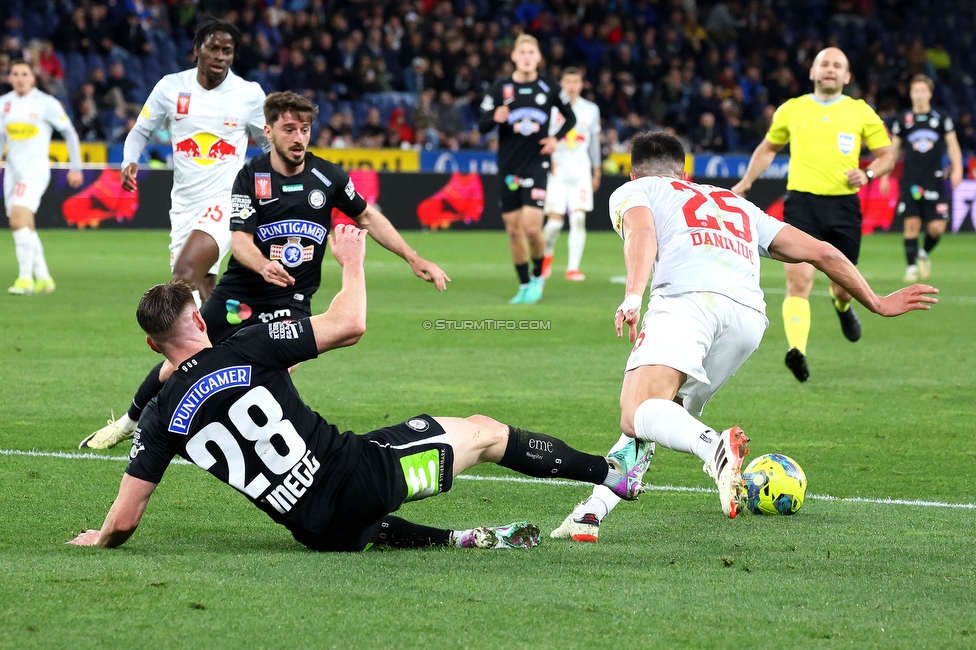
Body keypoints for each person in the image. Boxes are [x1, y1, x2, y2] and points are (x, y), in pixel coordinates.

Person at [67, 232, 654, 552]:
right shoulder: (245, 346)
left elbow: (124, 520)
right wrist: (352, 262)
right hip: (359, 478)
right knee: (482, 431)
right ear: (200, 319)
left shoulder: (159, 417)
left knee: (357, 510)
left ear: (153, 347)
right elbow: (349, 325)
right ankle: (611, 475)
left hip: (312, 531)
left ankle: (459, 540)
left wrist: (100, 539)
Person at [551, 132, 937, 542]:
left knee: (637, 411)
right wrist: (876, 301)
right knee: (661, 417)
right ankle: (590, 514)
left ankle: (714, 448)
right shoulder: (734, 203)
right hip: (748, 320)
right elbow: (821, 252)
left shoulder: (635, 191)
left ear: (633, 173)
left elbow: (642, 233)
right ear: (686, 171)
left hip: (689, 302)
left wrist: (632, 296)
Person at [80, 92, 449, 450]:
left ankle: (272, 444)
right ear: (268, 132)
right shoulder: (251, 177)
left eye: (304, 128)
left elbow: (366, 215)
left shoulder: (328, 177)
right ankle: (127, 424)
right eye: (289, 128)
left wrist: (413, 257)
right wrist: (263, 265)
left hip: (292, 299)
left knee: (280, 370)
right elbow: (239, 239)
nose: (299, 137)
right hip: (239, 294)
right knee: (176, 363)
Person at [730, 47, 895, 383]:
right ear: (813, 72)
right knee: (798, 281)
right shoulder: (792, 109)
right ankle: (797, 351)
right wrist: (746, 181)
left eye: (837, 65)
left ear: (847, 76)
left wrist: (869, 174)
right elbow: (768, 147)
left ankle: (843, 308)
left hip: (844, 206)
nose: (830, 69)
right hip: (801, 204)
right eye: (824, 64)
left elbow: (886, 154)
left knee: (841, 287)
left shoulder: (861, 112)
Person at [119, 19, 267, 308]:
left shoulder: (248, 94)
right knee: (200, 284)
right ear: (197, 49)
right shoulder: (171, 87)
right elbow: (141, 131)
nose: (220, 56)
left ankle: (178, 349)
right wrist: (129, 160)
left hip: (226, 202)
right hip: (184, 204)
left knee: (184, 275)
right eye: (214, 48)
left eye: (227, 50)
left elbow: (269, 142)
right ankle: (222, 346)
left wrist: (267, 183)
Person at [478, 34, 576, 304]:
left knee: (533, 228)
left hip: (536, 164)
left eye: (531, 52)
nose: (526, 57)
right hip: (508, 165)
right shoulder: (501, 87)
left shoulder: (549, 86)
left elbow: (571, 117)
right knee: (513, 229)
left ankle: (537, 277)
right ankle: (523, 285)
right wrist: (493, 117)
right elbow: (482, 123)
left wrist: (555, 138)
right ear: (513, 57)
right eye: (522, 52)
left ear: (538, 57)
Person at [0, 59, 84, 295]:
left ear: (32, 78)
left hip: (35, 171)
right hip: (12, 173)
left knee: (17, 220)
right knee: (25, 226)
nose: (19, 78)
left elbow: (69, 133)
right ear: (9, 77)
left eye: (24, 74)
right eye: (14, 74)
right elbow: (1, 137)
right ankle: (44, 278)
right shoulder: (4, 104)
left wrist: (75, 167)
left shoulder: (46, 103)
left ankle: (25, 279)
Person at [883, 74, 963, 283]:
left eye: (922, 91)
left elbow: (953, 144)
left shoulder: (941, 118)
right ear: (910, 94)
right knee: (911, 225)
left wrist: (957, 169)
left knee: (937, 228)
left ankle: (923, 252)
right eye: (915, 91)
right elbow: (894, 150)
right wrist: (885, 175)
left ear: (930, 93)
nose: (919, 95)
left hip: (934, 179)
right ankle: (911, 268)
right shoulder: (903, 119)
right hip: (911, 180)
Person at [541, 67, 602, 282]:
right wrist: (546, 162)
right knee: (555, 223)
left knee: (578, 218)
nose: (572, 86)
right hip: (557, 170)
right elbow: (543, 138)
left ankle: (572, 268)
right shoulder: (550, 108)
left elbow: (593, 141)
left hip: (580, 171)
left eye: (576, 81)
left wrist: (597, 170)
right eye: (568, 81)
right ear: (561, 84)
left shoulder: (591, 109)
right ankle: (545, 256)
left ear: (582, 84)